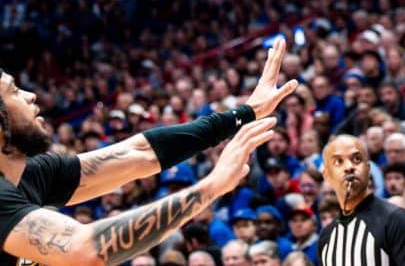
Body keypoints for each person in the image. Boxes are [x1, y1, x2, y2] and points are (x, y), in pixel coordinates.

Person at [0, 38, 297, 266]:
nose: (30, 95)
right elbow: (84, 249)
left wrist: (246, 112)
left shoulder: (32, 174)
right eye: (14, 91)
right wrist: (211, 187)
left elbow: (140, 152)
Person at [318, 134, 405, 265]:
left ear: (368, 168)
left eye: (357, 159)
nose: (349, 167)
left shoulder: (398, 220)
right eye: (338, 161)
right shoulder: (326, 237)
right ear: (327, 175)